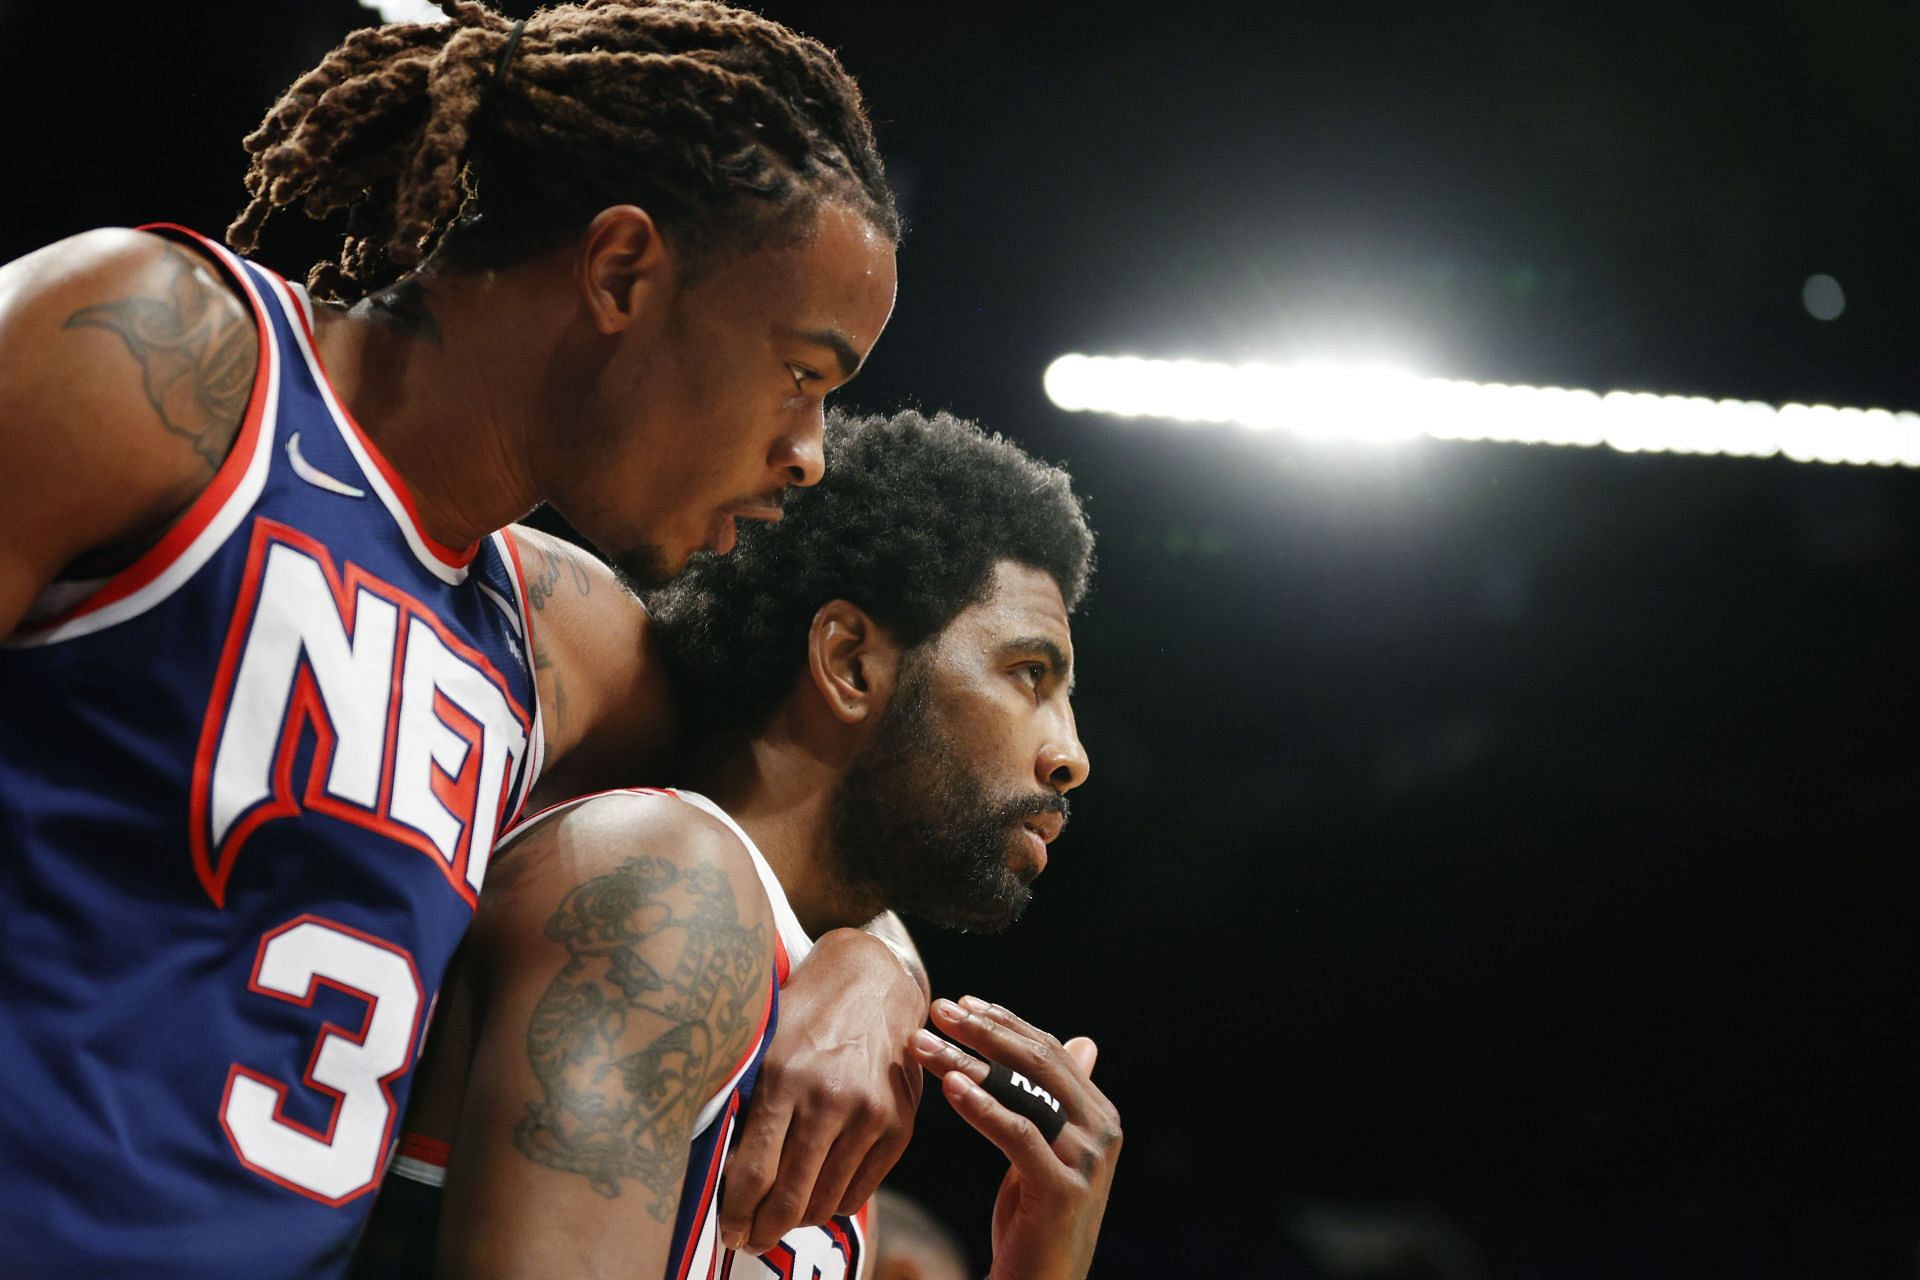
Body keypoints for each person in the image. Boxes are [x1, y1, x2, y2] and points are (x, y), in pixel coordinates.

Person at [0, 4, 933, 1275]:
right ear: (622, 274)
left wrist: (878, 963)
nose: (809, 450)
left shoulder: (557, 632)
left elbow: (795, 789)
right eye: (802, 372)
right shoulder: (166, 359)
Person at [357, 409, 1122, 1280]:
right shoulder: (661, 880)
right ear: (849, 664)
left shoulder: (842, 988)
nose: (1072, 756)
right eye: (1029, 674)